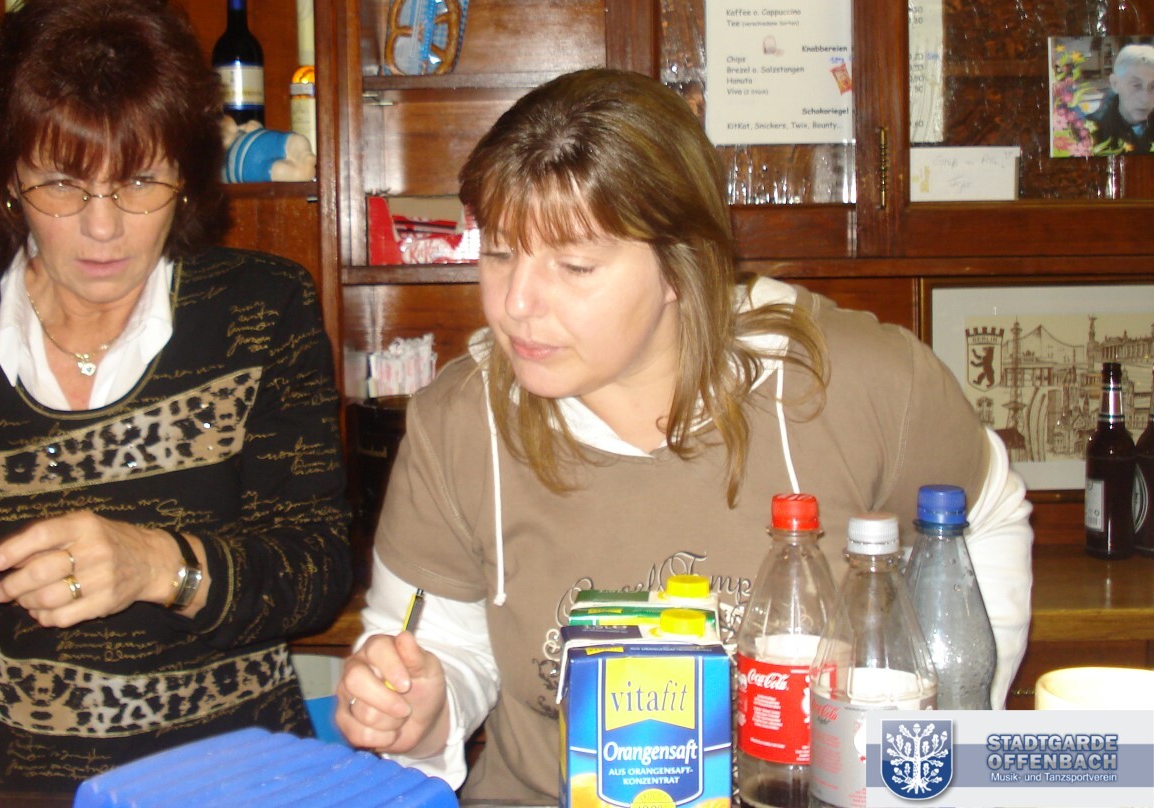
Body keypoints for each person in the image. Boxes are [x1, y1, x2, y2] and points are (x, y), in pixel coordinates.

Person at [335, 68, 1033, 803]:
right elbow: (440, 648)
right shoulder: (457, 420)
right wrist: (420, 712)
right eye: (500, 252)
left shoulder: (857, 382)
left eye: (574, 265)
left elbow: (982, 514)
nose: (515, 304)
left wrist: (946, 735)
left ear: (679, 266)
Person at [0, 0, 351, 803]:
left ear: (187, 177)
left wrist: (160, 565)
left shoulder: (260, 312)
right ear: (9, 180)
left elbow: (317, 566)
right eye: (63, 185)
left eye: (141, 182)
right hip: (14, 784)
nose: (104, 228)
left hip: (238, 779)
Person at [1086, 43, 1154, 153]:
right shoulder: (1088, 132)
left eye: (1153, 87)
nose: (1146, 99)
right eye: (1136, 85)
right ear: (1115, 84)